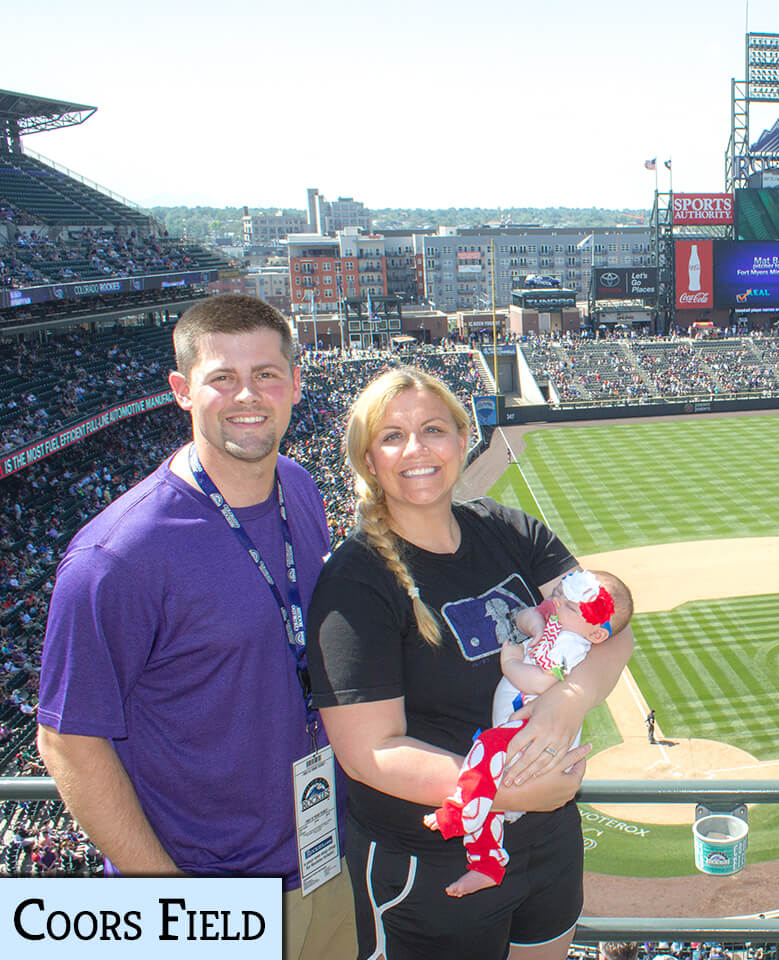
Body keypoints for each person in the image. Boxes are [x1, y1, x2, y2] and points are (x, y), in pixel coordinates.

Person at [36, 294, 355, 960]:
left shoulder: (297, 486)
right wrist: (174, 907)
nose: (249, 395)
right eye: (222, 378)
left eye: (267, 374)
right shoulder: (116, 557)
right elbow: (68, 743)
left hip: (320, 863)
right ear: (182, 391)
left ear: (296, 382)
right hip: (205, 897)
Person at [306, 367, 634, 960]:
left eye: (433, 429)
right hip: (433, 861)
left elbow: (612, 627)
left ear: (463, 438)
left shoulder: (508, 528)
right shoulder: (355, 579)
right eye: (392, 436)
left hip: (548, 840)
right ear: (368, 459)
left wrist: (566, 703)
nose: (416, 449)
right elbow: (369, 753)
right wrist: (503, 796)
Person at [426, 569, 633, 896]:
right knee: (489, 791)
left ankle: (460, 812)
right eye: (562, 595)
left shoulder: (572, 644)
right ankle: (487, 864)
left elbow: (537, 682)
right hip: (518, 726)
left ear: (595, 634)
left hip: (530, 735)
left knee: (485, 749)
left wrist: (509, 664)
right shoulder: (564, 623)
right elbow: (527, 616)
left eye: (569, 605)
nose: (558, 601)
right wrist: (536, 623)